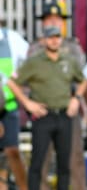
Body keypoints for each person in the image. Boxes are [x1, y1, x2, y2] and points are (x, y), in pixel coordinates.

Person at [7, 26, 87, 190]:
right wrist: (27, 103)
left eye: (57, 37)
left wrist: (76, 98)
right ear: (44, 40)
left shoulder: (68, 60)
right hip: (43, 117)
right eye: (50, 37)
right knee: (38, 162)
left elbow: (84, 79)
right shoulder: (34, 61)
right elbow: (12, 82)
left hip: (64, 115)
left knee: (64, 163)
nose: (54, 40)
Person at [0, 23, 28, 190]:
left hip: (9, 106)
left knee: (13, 151)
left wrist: (20, 80)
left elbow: (30, 62)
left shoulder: (11, 38)